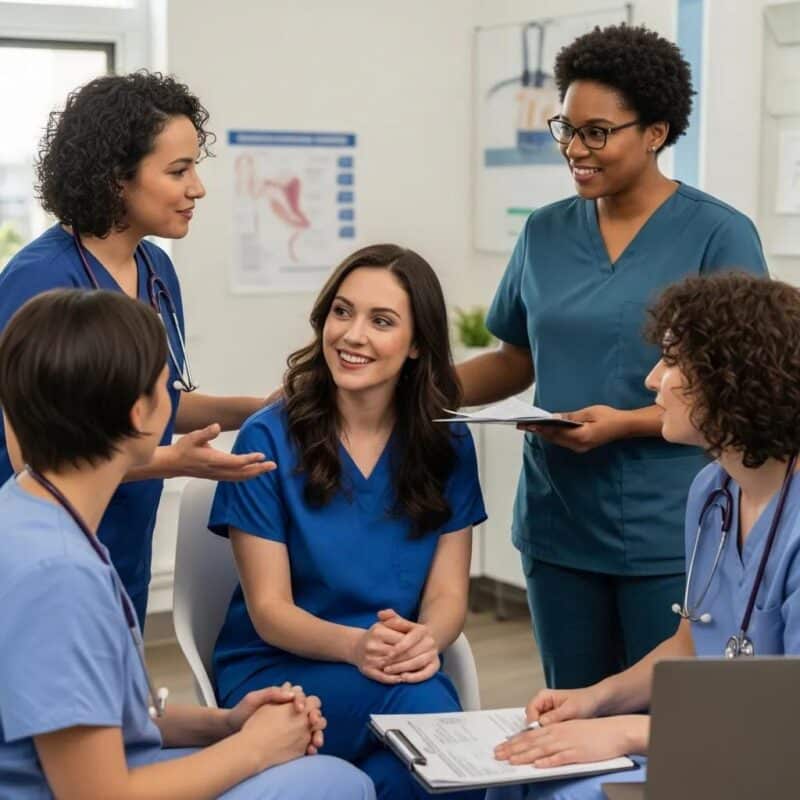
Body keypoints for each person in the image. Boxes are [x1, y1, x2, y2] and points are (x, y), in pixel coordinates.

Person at [457, 23, 768, 689]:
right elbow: (515, 357)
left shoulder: (718, 234)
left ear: (655, 132)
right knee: (570, 707)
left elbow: (744, 391)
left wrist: (621, 424)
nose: (575, 147)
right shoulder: (544, 231)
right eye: (565, 127)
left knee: (661, 724)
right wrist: (418, 388)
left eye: (596, 132)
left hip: (669, 529)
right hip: (557, 522)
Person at [0, 288, 375, 800]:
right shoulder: (59, 576)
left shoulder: (27, 512)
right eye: (165, 385)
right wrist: (255, 748)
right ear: (141, 414)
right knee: (337, 783)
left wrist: (225, 724)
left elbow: (94, 714)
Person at [486, 271, 800, 799]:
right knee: (520, 781)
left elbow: (788, 723)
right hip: (719, 738)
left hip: (776, 762)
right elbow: (692, 642)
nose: (653, 380)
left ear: (734, 377)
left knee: (570, 794)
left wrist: (625, 731)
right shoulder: (713, 492)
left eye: (673, 361)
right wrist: (595, 699)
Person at [208, 244, 487, 800]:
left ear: (416, 347)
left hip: (391, 667)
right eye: (342, 311)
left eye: (381, 321)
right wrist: (360, 648)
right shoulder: (267, 436)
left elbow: (449, 594)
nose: (352, 335)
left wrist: (425, 641)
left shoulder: (447, 442)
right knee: (433, 719)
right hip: (279, 672)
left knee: (398, 774)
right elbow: (269, 612)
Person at [0, 71, 275, 628]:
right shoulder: (40, 281)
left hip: (122, 545)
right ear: (115, 180)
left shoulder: (156, 270)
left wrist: (254, 408)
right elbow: (31, 458)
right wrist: (172, 461)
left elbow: (158, 401)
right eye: (178, 171)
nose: (197, 187)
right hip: (45, 556)